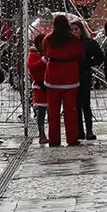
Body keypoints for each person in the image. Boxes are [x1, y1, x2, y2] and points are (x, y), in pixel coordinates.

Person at [41, 14, 84, 147]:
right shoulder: (74, 40)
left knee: (53, 111)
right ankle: (72, 138)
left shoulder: (48, 39)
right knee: (70, 111)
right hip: (70, 77)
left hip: (52, 78)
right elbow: (80, 55)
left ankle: (54, 140)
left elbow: (45, 53)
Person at [70, 20, 102, 140]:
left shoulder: (89, 43)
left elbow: (99, 57)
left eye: (76, 29)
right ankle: (79, 131)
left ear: (81, 30)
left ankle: (89, 130)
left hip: (84, 75)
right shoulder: (68, 44)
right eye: (72, 30)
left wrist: (88, 64)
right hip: (71, 77)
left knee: (86, 104)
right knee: (76, 105)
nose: (74, 32)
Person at [28, 33, 48, 144]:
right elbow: (33, 67)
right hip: (40, 88)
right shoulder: (34, 55)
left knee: (51, 113)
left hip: (49, 86)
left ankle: (50, 134)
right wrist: (44, 60)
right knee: (41, 113)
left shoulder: (47, 53)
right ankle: (42, 134)